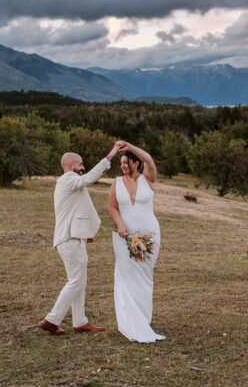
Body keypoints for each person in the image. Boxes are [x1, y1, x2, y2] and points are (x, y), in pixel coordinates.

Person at [40, 146, 122, 335]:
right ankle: (52, 319)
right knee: (76, 280)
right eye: (80, 164)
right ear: (70, 166)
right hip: (69, 239)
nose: (83, 167)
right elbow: (89, 178)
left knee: (80, 281)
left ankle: (80, 321)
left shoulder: (69, 182)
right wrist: (110, 155)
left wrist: (85, 231)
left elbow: (76, 208)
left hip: (74, 237)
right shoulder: (69, 179)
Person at [108, 142, 165, 342]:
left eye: (126, 162)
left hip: (148, 234)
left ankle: (142, 318)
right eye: (121, 163)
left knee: (143, 275)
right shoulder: (116, 182)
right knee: (126, 275)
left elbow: (149, 158)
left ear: (135, 162)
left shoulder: (148, 179)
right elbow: (112, 207)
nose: (123, 166)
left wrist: (130, 146)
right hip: (128, 234)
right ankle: (129, 320)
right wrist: (120, 224)